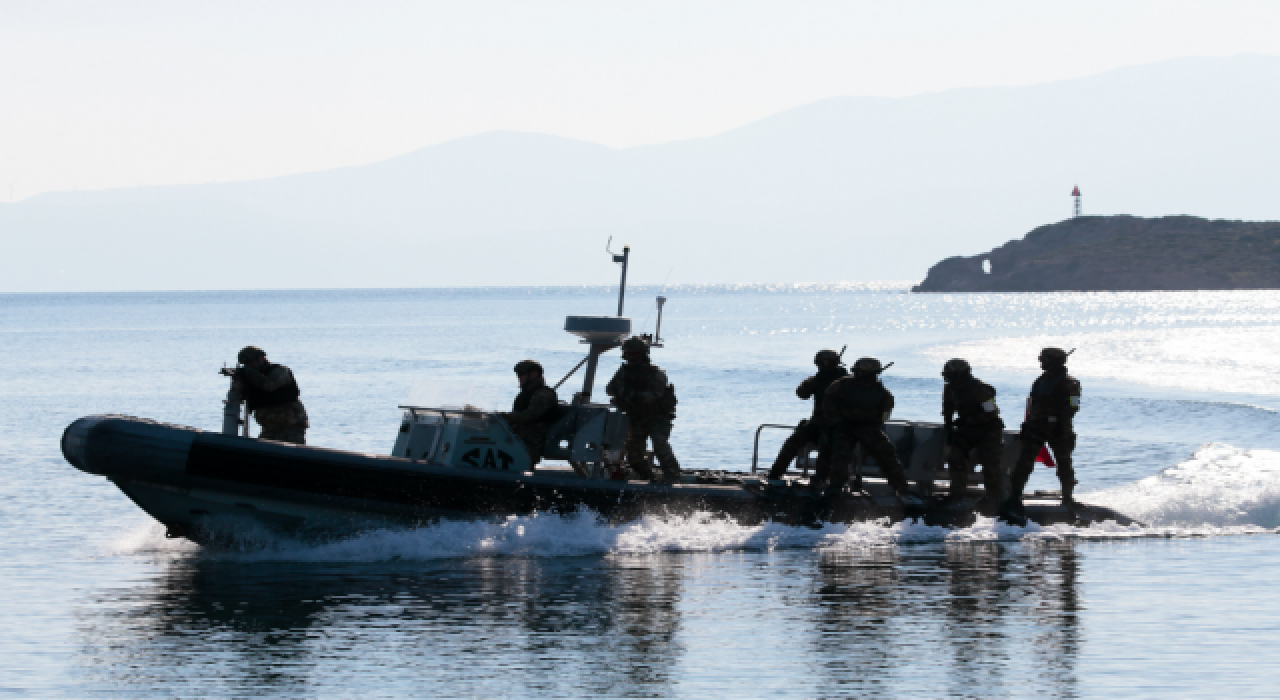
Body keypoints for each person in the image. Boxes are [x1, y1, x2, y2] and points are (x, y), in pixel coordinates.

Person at [1002, 347, 1082, 521]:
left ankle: (1068, 498)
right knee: (1024, 462)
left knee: (1064, 463)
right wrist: (1027, 424)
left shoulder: (1070, 382)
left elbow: (1073, 407)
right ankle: (1015, 497)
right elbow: (1032, 404)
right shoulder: (1040, 380)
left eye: (1044, 359)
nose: (1041, 363)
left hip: (1058, 429)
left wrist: (1058, 423)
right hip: (1036, 427)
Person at [820, 357, 912, 499]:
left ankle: (902, 489)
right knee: (840, 452)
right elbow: (828, 404)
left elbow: (885, 415)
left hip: (868, 428)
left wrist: (873, 424)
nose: (863, 377)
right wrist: (836, 422)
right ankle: (835, 487)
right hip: (844, 426)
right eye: (860, 373)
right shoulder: (841, 385)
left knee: (887, 452)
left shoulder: (883, 393)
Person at [606, 336, 681, 482]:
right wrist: (622, 392)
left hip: (657, 417)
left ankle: (673, 477)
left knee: (660, 446)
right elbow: (610, 389)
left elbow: (654, 396)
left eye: (635, 354)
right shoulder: (623, 372)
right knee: (633, 455)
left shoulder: (655, 373)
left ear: (643, 354)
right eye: (628, 354)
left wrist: (631, 394)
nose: (632, 357)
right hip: (636, 417)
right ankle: (648, 477)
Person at [767, 349, 847, 480]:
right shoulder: (818, 379)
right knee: (792, 442)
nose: (823, 365)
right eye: (820, 363)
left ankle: (821, 478)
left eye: (825, 362)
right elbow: (802, 394)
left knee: (826, 445)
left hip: (838, 424)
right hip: (817, 423)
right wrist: (816, 380)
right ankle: (775, 474)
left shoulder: (846, 381)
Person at [940, 358, 1005, 513]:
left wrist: (969, 420)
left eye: (952, 375)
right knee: (955, 456)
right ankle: (956, 494)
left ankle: (994, 497)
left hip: (988, 429)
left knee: (990, 460)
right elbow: (948, 408)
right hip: (967, 429)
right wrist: (949, 426)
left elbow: (992, 412)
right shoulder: (950, 389)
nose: (948, 378)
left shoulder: (981, 389)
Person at [232, 346, 309, 444]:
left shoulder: (280, 371)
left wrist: (249, 372)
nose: (249, 366)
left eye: (251, 363)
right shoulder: (252, 377)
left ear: (262, 358)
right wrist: (238, 381)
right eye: (246, 364)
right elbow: (238, 396)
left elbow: (269, 385)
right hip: (269, 428)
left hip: (291, 427)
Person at [503, 359, 559, 465]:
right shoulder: (526, 394)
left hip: (532, 442)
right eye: (518, 374)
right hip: (519, 438)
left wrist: (505, 416)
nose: (519, 377)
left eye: (521, 374)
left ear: (534, 374)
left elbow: (529, 416)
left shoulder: (543, 395)